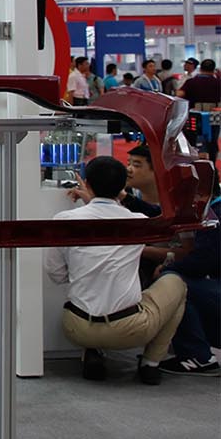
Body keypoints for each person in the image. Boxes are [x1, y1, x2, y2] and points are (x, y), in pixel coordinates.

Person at [44, 156, 187, 385]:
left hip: (76, 328)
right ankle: (151, 363)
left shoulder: (64, 220)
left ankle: (92, 352)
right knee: (177, 284)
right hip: (130, 331)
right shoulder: (139, 222)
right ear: (123, 187)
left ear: (87, 184)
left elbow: (56, 274)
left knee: (90, 286)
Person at [157, 195, 219, 376]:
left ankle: (197, 356)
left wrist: (167, 268)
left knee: (175, 282)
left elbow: (202, 262)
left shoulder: (215, 213)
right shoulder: (209, 208)